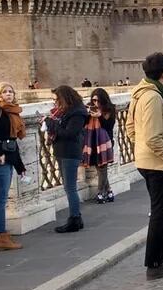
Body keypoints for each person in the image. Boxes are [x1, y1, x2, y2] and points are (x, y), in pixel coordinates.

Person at [126, 52, 163, 280]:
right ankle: (154, 264)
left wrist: (140, 147)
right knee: (160, 213)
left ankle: (160, 257)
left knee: (162, 210)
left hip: (150, 160)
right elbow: (152, 137)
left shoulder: (143, 93)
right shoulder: (152, 97)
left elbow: (131, 129)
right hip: (157, 163)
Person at [44, 86, 88, 234]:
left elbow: (70, 133)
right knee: (68, 187)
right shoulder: (67, 111)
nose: (55, 102)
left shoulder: (78, 112)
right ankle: (77, 218)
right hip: (62, 151)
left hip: (70, 152)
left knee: (70, 187)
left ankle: (74, 219)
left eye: (57, 99)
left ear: (65, 97)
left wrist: (51, 124)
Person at [0, 82, 26, 250]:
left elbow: (12, 142)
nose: (8, 94)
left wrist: (20, 167)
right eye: (4, 92)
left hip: (8, 159)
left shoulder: (12, 112)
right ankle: (0, 237)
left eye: (11, 91)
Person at [84, 88, 116, 204]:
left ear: (103, 100)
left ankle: (100, 192)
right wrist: (87, 114)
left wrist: (100, 116)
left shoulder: (110, 109)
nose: (95, 103)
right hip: (93, 142)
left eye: (98, 100)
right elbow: (84, 123)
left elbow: (109, 126)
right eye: (93, 100)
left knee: (102, 167)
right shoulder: (89, 108)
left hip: (105, 143)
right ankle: (109, 191)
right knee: (100, 168)